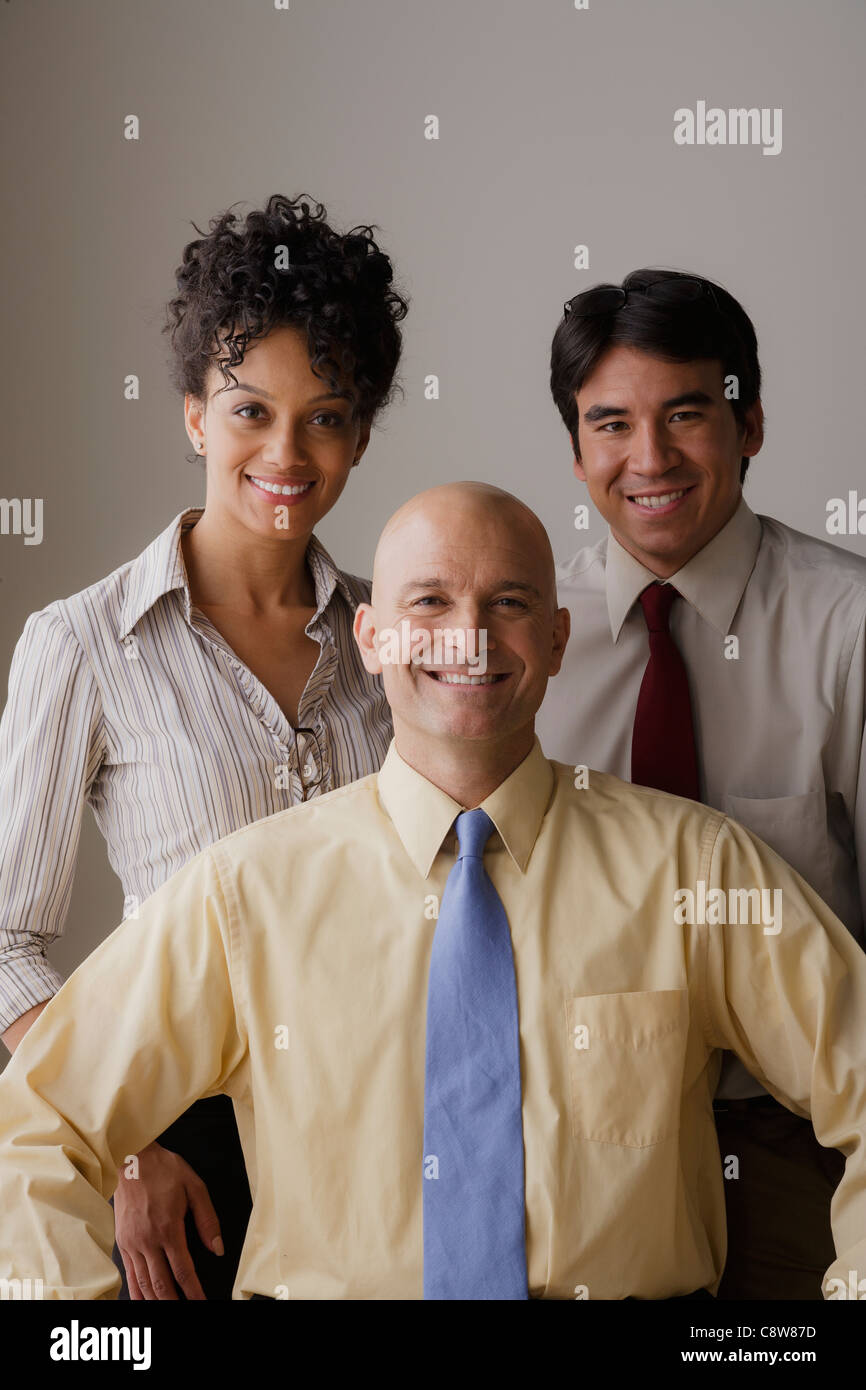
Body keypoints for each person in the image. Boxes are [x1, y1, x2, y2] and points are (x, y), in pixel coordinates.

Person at [1, 481, 865, 1301]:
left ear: (560, 638)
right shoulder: (245, 895)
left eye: (510, 603)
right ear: (370, 637)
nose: (468, 637)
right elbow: (37, 1130)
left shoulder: (695, 871)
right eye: (430, 603)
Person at [0, 192, 407, 1299]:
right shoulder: (79, 644)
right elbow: (2, 942)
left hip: (378, 1130)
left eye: (324, 416)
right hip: (183, 1149)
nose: (285, 452)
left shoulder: (394, 638)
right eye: (248, 411)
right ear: (191, 412)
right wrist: (124, 1138)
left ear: (361, 432)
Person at [537, 267, 866, 1298]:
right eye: (610, 424)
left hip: (798, 1145)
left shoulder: (846, 629)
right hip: (585, 1153)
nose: (648, 459)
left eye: (686, 413)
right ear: (576, 449)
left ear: (749, 421)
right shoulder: (521, 643)